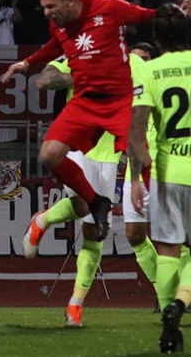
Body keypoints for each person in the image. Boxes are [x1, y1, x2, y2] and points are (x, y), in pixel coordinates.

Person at [0, 0, 155, 241]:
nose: (47, 13)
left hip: (113, 134)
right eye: (44, 7)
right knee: (81, 208)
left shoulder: (113, 17)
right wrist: (29, 62)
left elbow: (150, 16)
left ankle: (174, 212)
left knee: (127, 230)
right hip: (83, 129)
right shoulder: (64, 34)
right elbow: (48, 68)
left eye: (51, 6)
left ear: (70, 0)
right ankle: (78, 208)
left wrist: (179, 12)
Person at [25, 45, 157, 328]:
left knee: (95, 232)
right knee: (84, 206)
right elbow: (45, 79)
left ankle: (76, 304)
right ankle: (42, 221)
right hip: (78, 146)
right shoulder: (82, 52)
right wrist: (83, 77)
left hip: (108, 159)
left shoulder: (137, 67)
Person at [127, 4, 191, 353]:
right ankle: (179, 304)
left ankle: (170, 326)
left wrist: (137, 180)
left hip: (167, 173)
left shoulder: (148, 71)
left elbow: (137, 134)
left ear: (156, 38)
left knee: (167, 250)